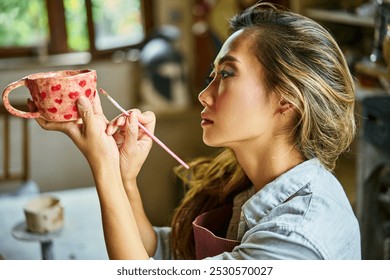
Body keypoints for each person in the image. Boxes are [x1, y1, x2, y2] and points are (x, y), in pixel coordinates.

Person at [29, 2, 361, 259]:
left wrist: (101, 165)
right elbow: (163, 254)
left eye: (227, 74)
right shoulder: (251, 187)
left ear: (287, 101)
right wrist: (123, 176)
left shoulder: (297, 236)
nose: (204, 94)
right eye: (211, 76)